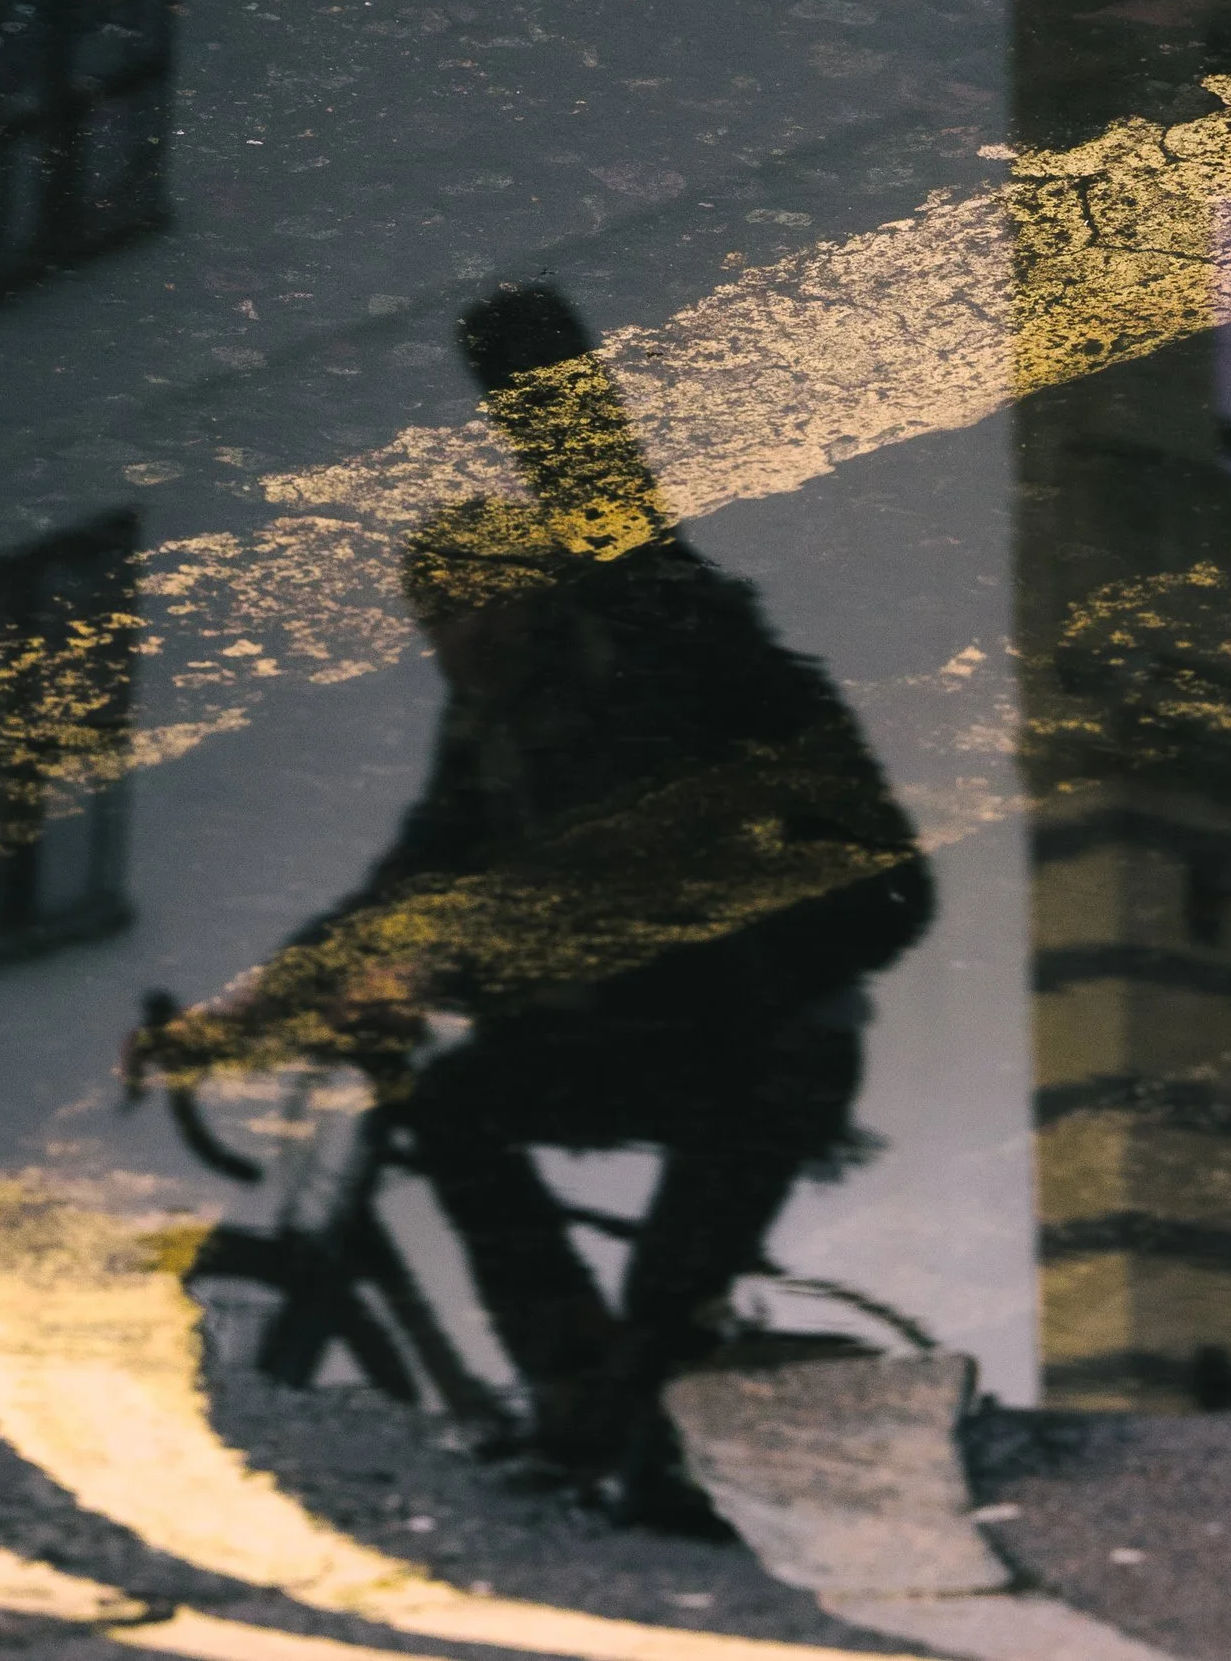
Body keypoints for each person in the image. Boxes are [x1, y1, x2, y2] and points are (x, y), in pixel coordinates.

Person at [128, 284, 932, 1525]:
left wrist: (536, 377)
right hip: (655, 1029)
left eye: (472, 608)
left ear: (538, 586)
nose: (454, 645)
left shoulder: (655, 634)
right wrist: (231, 1024)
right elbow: (398, 895)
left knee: (666, 1312)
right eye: (433, 625)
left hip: (770, 1030)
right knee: (454, 1108)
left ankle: (664, 1434)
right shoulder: (491, 739)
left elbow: (612, 509)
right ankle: (572, 1388)